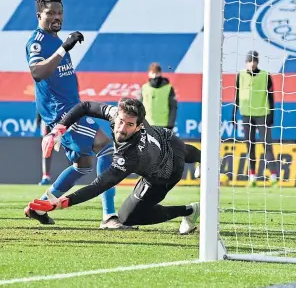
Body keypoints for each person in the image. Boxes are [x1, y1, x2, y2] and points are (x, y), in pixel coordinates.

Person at [28, 98, 200, 235]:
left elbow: (99, 185)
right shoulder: (115, 113)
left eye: (129, 125)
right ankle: (204, 157)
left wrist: (60, 204)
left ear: (139, 126)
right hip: (167, 138)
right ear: (117, 115)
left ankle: (189, 211)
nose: (121, 129)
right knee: (182, 150)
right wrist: (59, 129)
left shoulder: (130, 155)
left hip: (164, 174)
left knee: (127, 217)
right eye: (121, 121)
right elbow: (86, 106)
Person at [24, 0, 122, 229]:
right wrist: (64, 49)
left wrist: (62, 47)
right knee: (106, 147)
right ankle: (109, 216)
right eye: (50, 13)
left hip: (71, 108)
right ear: (39, 15)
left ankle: (40, 205)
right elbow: (37, 73)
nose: (57, 17)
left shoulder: (55, 40)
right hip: (61, 112)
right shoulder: (37, 41)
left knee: (84, 164)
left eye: (59, 12)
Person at [232, 51, 279, 187]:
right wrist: (233, 114)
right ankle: (252, 177)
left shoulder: (265, 75)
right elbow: (237, 95)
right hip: (246, 114)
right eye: (249, 61)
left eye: (254, 61)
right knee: (250, 146)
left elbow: (271, 96)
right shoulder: (240, 75)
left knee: (267, 146)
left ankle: (273, 176)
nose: (252, 63)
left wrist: (271, 115)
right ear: (246, 62)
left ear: (257, 62)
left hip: (262, 114)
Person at [139, 62, 177, 129]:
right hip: (147, 124)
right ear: (149, 73)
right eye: (152, 73)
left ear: (160, 73)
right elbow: (140, 107)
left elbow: (173, 107)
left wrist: (170, 124)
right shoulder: (144, 87)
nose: (154, 76)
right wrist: (139, 122)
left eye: (156, 73)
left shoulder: (168, 88)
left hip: (164, 125)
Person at [37, 111, 52, 186]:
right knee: (46, 150)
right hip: (47, 121)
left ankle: (70, 177)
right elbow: (40, 102)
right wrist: (39, 119)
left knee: (69, 148)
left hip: (63, 120)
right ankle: (45, 177)